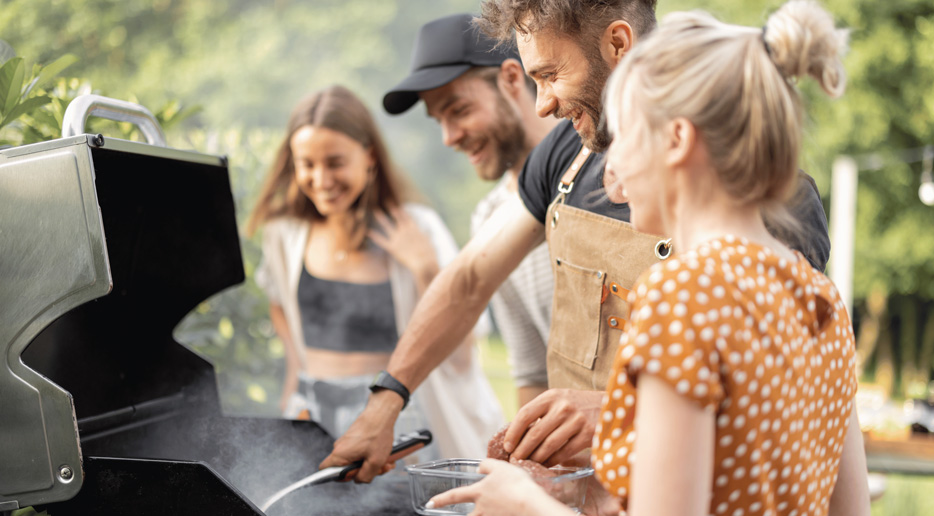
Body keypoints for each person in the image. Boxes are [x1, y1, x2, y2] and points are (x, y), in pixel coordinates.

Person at [320, 0, 831, 482]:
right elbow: (471, 279)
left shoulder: (774, 205)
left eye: (549, 75)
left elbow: (774, 408)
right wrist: (386, 401)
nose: (542, 105)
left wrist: (614, 412)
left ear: (618, 44)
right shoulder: (567, 151)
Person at [429, 3, 870, 516]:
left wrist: (525, 507)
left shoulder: (680, 296)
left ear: (677, 140)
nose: (610, 172)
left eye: (626, 137)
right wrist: (577, 496)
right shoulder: (819, 299)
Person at [246, 85, 503, 460]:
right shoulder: (284, 234)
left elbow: (463, 352)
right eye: (307, 164)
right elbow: (279, 305)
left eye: (335, 162)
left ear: (369, 156)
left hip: (394, 417)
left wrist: (425, 267)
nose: (322, 179)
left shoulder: (419, 227)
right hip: (311, 415)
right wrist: (294, 377)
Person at [383, 13, 559, 408]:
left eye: (459, 110)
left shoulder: (601, 171)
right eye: (439, 121)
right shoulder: (488, 218)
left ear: (511, 79)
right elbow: (533, 373)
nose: (449, 138)